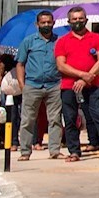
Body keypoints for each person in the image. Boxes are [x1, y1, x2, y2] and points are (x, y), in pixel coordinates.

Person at [55, 6, 99, 161]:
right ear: (69, 21)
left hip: (94, 85)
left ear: (86, 20)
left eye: (81, 18)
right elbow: (61, 65)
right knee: (70, 118)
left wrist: (87, 78)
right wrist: (81, 75)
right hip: (69, 86)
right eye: (74, 19)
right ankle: (74, 151)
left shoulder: (97, 38)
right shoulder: (62, 41)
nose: (78, 22)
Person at [14, 14, 67, 161]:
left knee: (55, 119)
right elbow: (20, 64)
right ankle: (25, 151)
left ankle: (55, 150)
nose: (46, 25)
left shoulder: (59, 42)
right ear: (37, 24)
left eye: (49, 22)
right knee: (27, 120)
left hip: (54, 85)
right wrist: (22, 85)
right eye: (43, 22)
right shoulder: (28, 41)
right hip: (32, 85)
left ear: (54, 23)